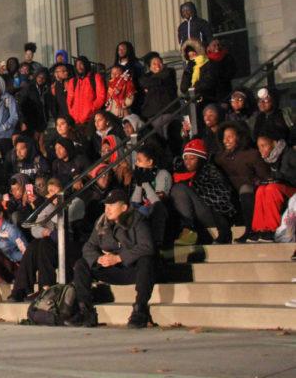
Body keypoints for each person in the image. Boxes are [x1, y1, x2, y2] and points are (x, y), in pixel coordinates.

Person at [73, 189, 156, 329]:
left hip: (132, 270)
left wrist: (118, 258)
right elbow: (88, 247)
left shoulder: (137, 219)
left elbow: (147, 246)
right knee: (81, 263)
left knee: (146, 260)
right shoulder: (101, 222)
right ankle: (86, 311)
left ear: (124, 207)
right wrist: (98, 258)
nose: (107, 209)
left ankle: (140, 310)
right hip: (110, 269)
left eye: (111, 205)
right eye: (106, 205)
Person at [170, 139, 236, 245]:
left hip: (215, 216)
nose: (187, 162)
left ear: (201, 159)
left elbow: (220, 197)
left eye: (192, 158)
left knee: (179, 190)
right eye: (185, 158)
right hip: (196, 215)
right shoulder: (180, 175)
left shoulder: (209, 171)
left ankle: (189, 231)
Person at [214, 123, 272, 243]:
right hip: (231, 196)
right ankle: (224, 233)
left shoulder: (251, 154)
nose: (226, 140)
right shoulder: (219, 158)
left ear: (239, 137)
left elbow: (265, 177)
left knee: (245, 189)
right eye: (224, 137)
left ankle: (251, 230)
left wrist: (254, 181)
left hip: (250, 194)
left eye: (230, 136)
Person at [252, 132, 296, 242]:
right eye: (259, 147)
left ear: (274, 143)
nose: (261, 149)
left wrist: (281, 177)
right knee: (261, 190)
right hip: (281, 187)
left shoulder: (289, 153)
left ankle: (272, 229)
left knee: (272, 189)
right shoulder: (269, 159)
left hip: (292, 190)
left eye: (264, 145)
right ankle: (260, 229)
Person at [66, 56, 106, 132]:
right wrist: (72, 114)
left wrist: (91, 109)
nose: (79, 67)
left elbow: (101, 97)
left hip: (91, 119)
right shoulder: (72, 81)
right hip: (76, 121)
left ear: (86, 64)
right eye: (77, 65)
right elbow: (69, 101)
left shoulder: (95, 77)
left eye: (81, 64)